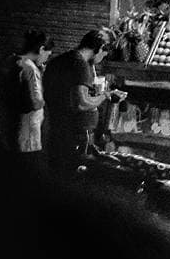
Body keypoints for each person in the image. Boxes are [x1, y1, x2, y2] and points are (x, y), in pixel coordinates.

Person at [43, 29, 125, 175]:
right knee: (72, 175)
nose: (102, 58)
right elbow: (81, 103)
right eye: (104, 54)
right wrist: (105, 96)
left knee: (57, 173)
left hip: (54, 129)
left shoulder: (59, 60)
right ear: (100, 48)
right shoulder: (81, 65)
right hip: (72, 133)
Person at [0, 30, 54, 168]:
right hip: (28, 132)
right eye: (47, 54)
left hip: (10, 126)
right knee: (29, 169)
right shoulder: (30, 68)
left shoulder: (11, 61)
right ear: (41, 49)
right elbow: (36, 102)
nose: (46, 59)